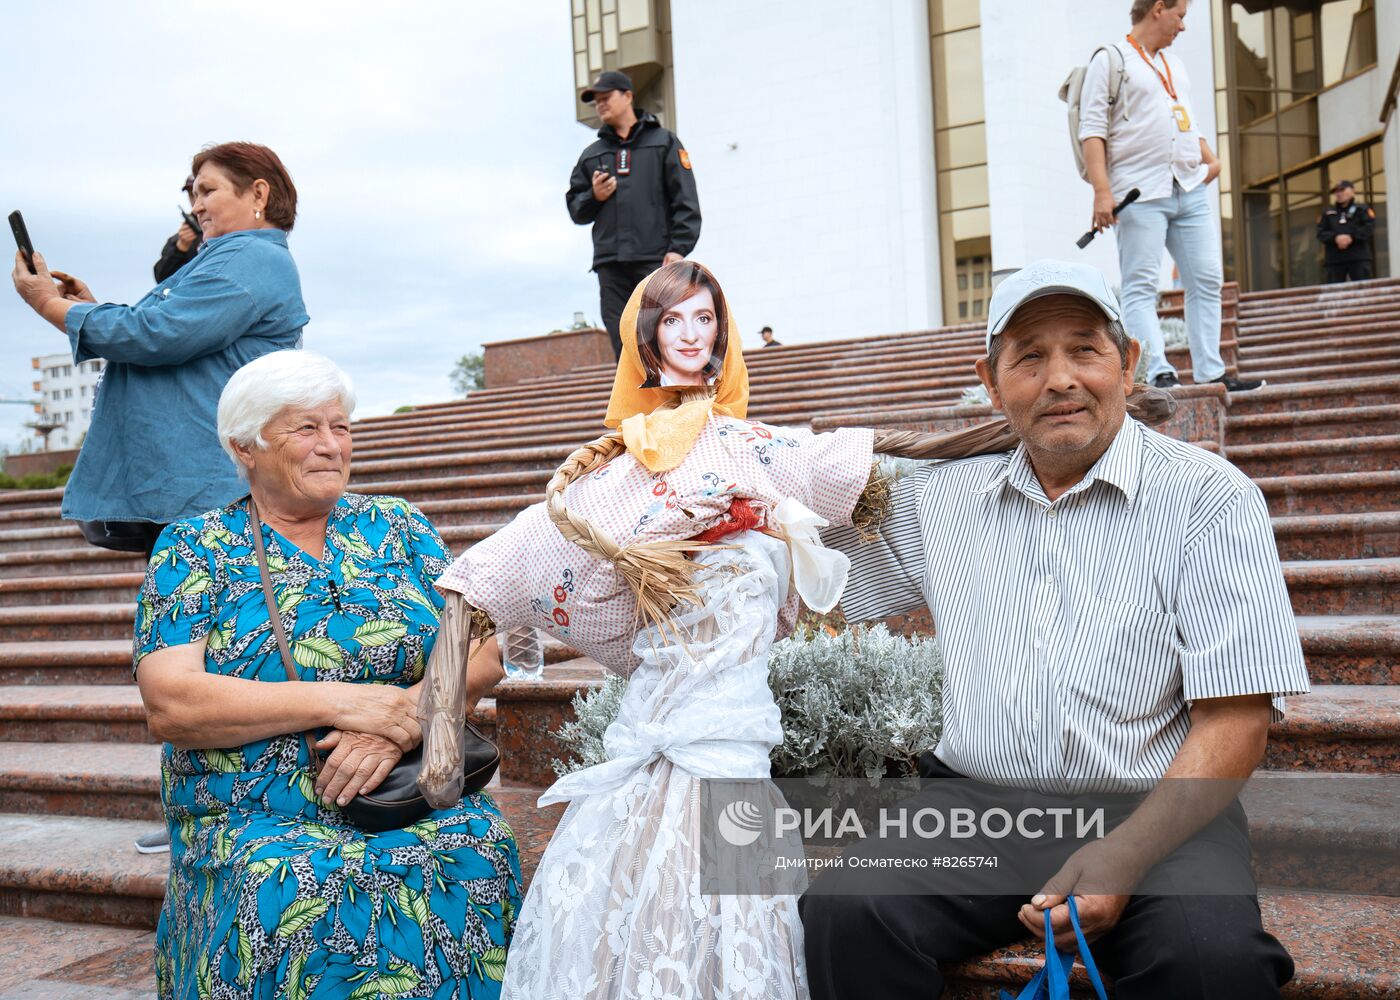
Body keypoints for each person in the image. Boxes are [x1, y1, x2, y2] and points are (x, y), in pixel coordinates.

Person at [802, 259, 1311, 999]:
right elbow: (804, 577)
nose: (1060, 378)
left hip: (1157, 811)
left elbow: (1236, 717)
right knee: (844, 914)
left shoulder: (1208, 498)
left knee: (1213, 965)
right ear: (991, 380)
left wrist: (1125, 856)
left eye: (1085, 349)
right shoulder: (937, 500)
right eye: (1030, 357)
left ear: (1129, 364)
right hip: (976, 806)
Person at [133, 350, 521, 1000]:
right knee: (290, 880)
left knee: (478, 840)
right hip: (254, 809)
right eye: (305, 429)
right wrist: (349, 703)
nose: (331, 446)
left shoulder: (396, 527)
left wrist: (400, 724)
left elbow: (482, 649)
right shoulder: (197, 546)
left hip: (405, 785)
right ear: (245, 445)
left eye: (340, 427)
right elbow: (171, 701)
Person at [11, 141, 309, 557]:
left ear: (258, 194)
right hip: (194, 483)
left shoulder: (251, 256)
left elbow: (157, 334)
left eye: (208, 191)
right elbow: (166, 331)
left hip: (209, 488)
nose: (197, 205)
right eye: (193, 193)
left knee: (207, 616)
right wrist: (90, 310)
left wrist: (49, 303)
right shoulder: (228, 257)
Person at [1079, 0, 1262, 392]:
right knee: (1142, 285)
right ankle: (1158, 368)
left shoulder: (1173, 65)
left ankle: (1212, 371)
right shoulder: (1112, 60)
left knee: (1207, 278)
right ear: (1158, 8)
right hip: (1139, 192)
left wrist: (1210, 159)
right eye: (1180, 16)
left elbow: (1185, 119)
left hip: (1188, 187)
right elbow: (1091, 130)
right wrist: (1102, 192)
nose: (1183, 27)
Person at [566, 70, 702, 360]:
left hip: (656, 261)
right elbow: (576, 209)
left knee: (664, 338)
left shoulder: (664, 142)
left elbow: (685, 202)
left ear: (628, 96)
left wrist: (677, 250)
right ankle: (634, 406)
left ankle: (673, 404)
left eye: (606, 97)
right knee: (624, 342)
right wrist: (595, 196)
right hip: (611, 265)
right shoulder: (592, 154)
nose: (600, 104)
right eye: (596, 101)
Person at [1317, 180, 1376, 283]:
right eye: (1336, 191)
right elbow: (1321, 233)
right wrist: (1335, 238)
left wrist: (1351, 237)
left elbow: (1368, 228)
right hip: (1335, 260)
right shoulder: (1327, 213)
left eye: (1342, 190)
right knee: (1334, 293)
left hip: (1358, 258)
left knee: (1363, 291)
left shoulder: (1362, 210)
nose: (1339, 193)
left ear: (1352, 191)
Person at [153, 174, 202, 283]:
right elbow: (161, 279)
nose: (196, 199)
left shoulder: (230, 227)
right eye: (192, 194)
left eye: (202, 192)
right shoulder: (177, 240)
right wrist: (180, 249)